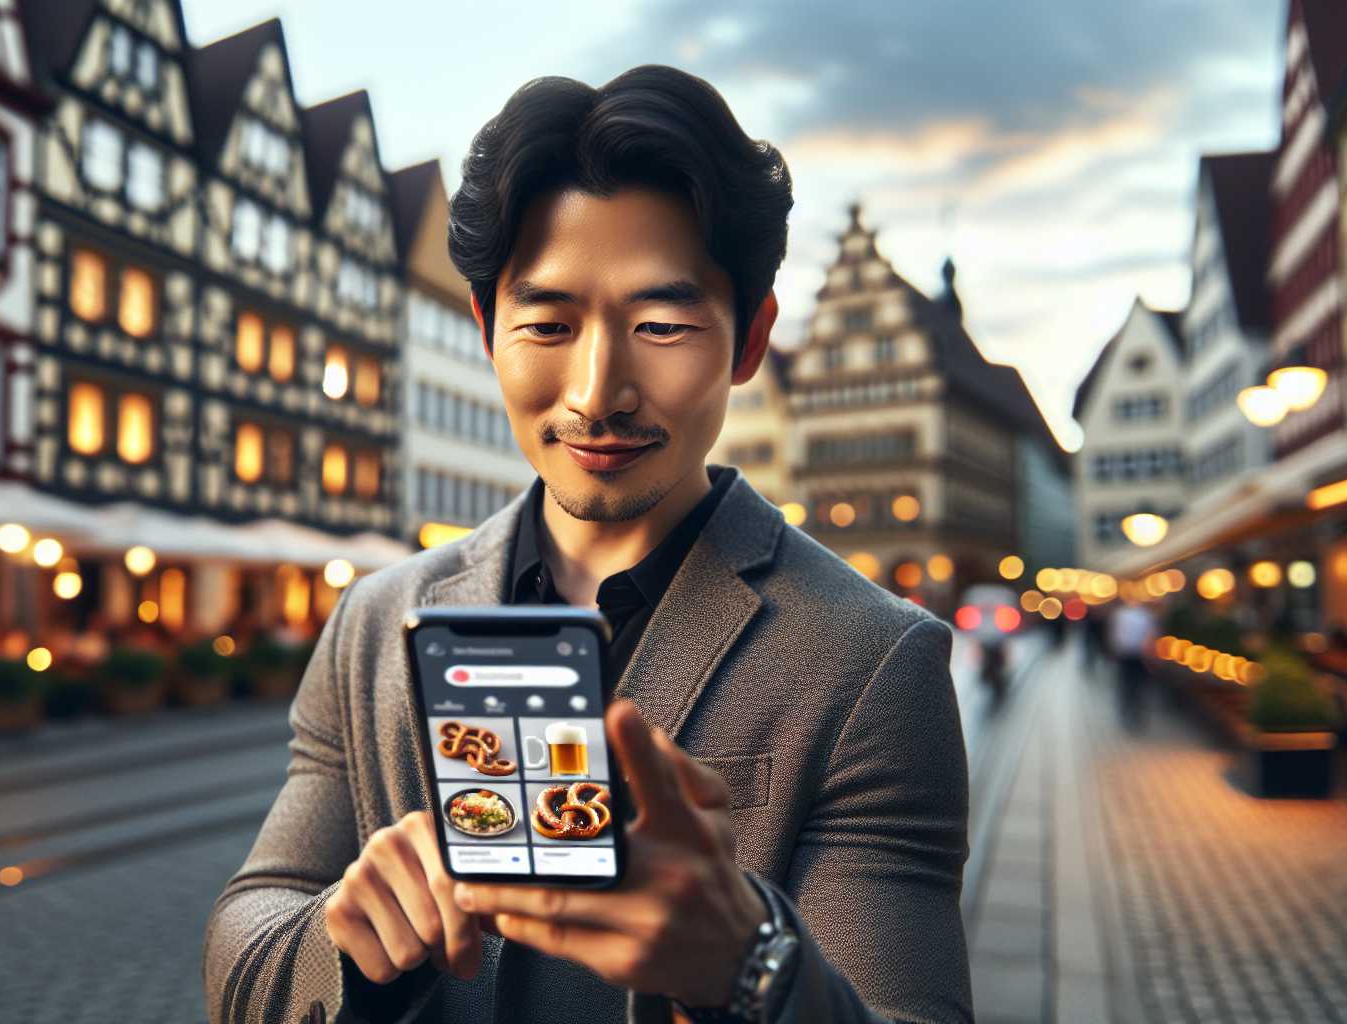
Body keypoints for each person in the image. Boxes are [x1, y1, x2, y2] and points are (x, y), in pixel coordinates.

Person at [203, 66, 971, 1024]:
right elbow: (246, 937)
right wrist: (347, 939)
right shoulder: (374, 620)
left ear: (749, 340)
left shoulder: (871, 659)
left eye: (661, 323)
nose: (596, 391)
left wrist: (751, 964)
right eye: (548, 323)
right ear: (488, 331)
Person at [1106, 597, 1157, 730]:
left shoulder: (1120, 615)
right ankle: (1136, 708)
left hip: (1125, 654)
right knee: (1138, 684)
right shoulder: (1147, 616)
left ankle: (1127, 707)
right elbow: (1151, 637)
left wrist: (1113, 649)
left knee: (1125, 683)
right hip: (1140, 655)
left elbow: (1114, 634)